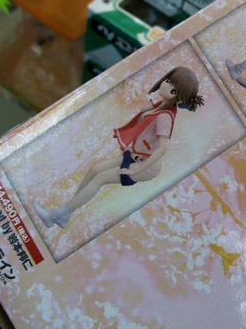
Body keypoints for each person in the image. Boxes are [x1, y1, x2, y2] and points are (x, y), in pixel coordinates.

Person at [34, 67, 205, 229]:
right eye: (167, 80)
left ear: (177, 96)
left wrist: (136, 170)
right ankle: (65, 214)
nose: (165, 84)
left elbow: (162, 149)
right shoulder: (160, 106)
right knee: (95, 169)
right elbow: (143, 114)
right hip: (135, 155)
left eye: (172, 87)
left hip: (147, 166)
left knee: (100, 178)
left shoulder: (165, 118)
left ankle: (54, 216)